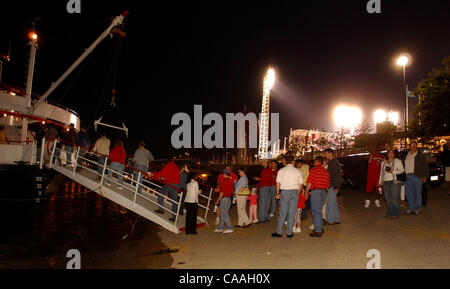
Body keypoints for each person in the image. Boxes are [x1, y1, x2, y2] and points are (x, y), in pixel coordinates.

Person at [271, 154, 303, 238]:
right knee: (292, 213)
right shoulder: (297, 171)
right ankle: (289, 232)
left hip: (284, 192)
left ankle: (279, 232)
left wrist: (278, 193)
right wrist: (297, 192)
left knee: (282, 213)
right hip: (294, 192)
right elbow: (300, 184)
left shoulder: (281, 171)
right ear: (293, 161)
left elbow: (277, 183)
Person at [305, 156, 330, 237]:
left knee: (316, 212)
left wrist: (306, 192)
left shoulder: (314, 170)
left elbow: (309, 182)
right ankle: (320, 227)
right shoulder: (326, 172)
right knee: (319, 211)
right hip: (323, 192)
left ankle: (318, 231)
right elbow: (327, 185)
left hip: (316, 192)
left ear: (316, 162)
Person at [403, 141, 429, 215]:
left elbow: (425, 166)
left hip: (417, 176)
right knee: (409, 193)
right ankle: (411, 208)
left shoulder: (420, 155)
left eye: (414, 146)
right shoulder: (406, 155)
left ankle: (417, 209)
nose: (413, 147)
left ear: (417, 147)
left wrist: (425, 176)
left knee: (417, 193)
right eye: (412, 146)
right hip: (407, 176)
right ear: (409, 146)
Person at [379, 149, 404, 219]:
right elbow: (381, 173)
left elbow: (402, 170)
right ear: (387, 154)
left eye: (392, 153)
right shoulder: (383, 162)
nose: (391, 154)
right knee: (387, 198)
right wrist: (380, 182)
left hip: (394, 181)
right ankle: (390, 212)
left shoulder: (397, 161)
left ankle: (397, 213)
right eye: (389, 153)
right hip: (385, 182)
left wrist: (393, 171)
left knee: (395, 198)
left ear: (394, 154)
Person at [214, 169, 236, 234]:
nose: (222, 175)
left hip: (224, 199)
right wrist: (219, 189)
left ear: (225, 174)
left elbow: (222, 192)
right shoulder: (231, 180)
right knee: (223, 214)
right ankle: (220, 228)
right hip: (228, 199)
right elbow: (230, 190)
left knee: (224, 214)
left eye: (223, 174)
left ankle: (230, 228)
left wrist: (217, 201)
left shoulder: (225, 181)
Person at [323, 148, 341, 225]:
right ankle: (336, 219)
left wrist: (336, 187)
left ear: (330, 153)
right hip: (333, 185)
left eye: (326, 154)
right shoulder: (333, 162)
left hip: (333, 186)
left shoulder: (333, 163)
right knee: (333, 203)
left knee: (330, 204)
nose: (325, 155)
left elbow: (336, 176)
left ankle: (330, 220)